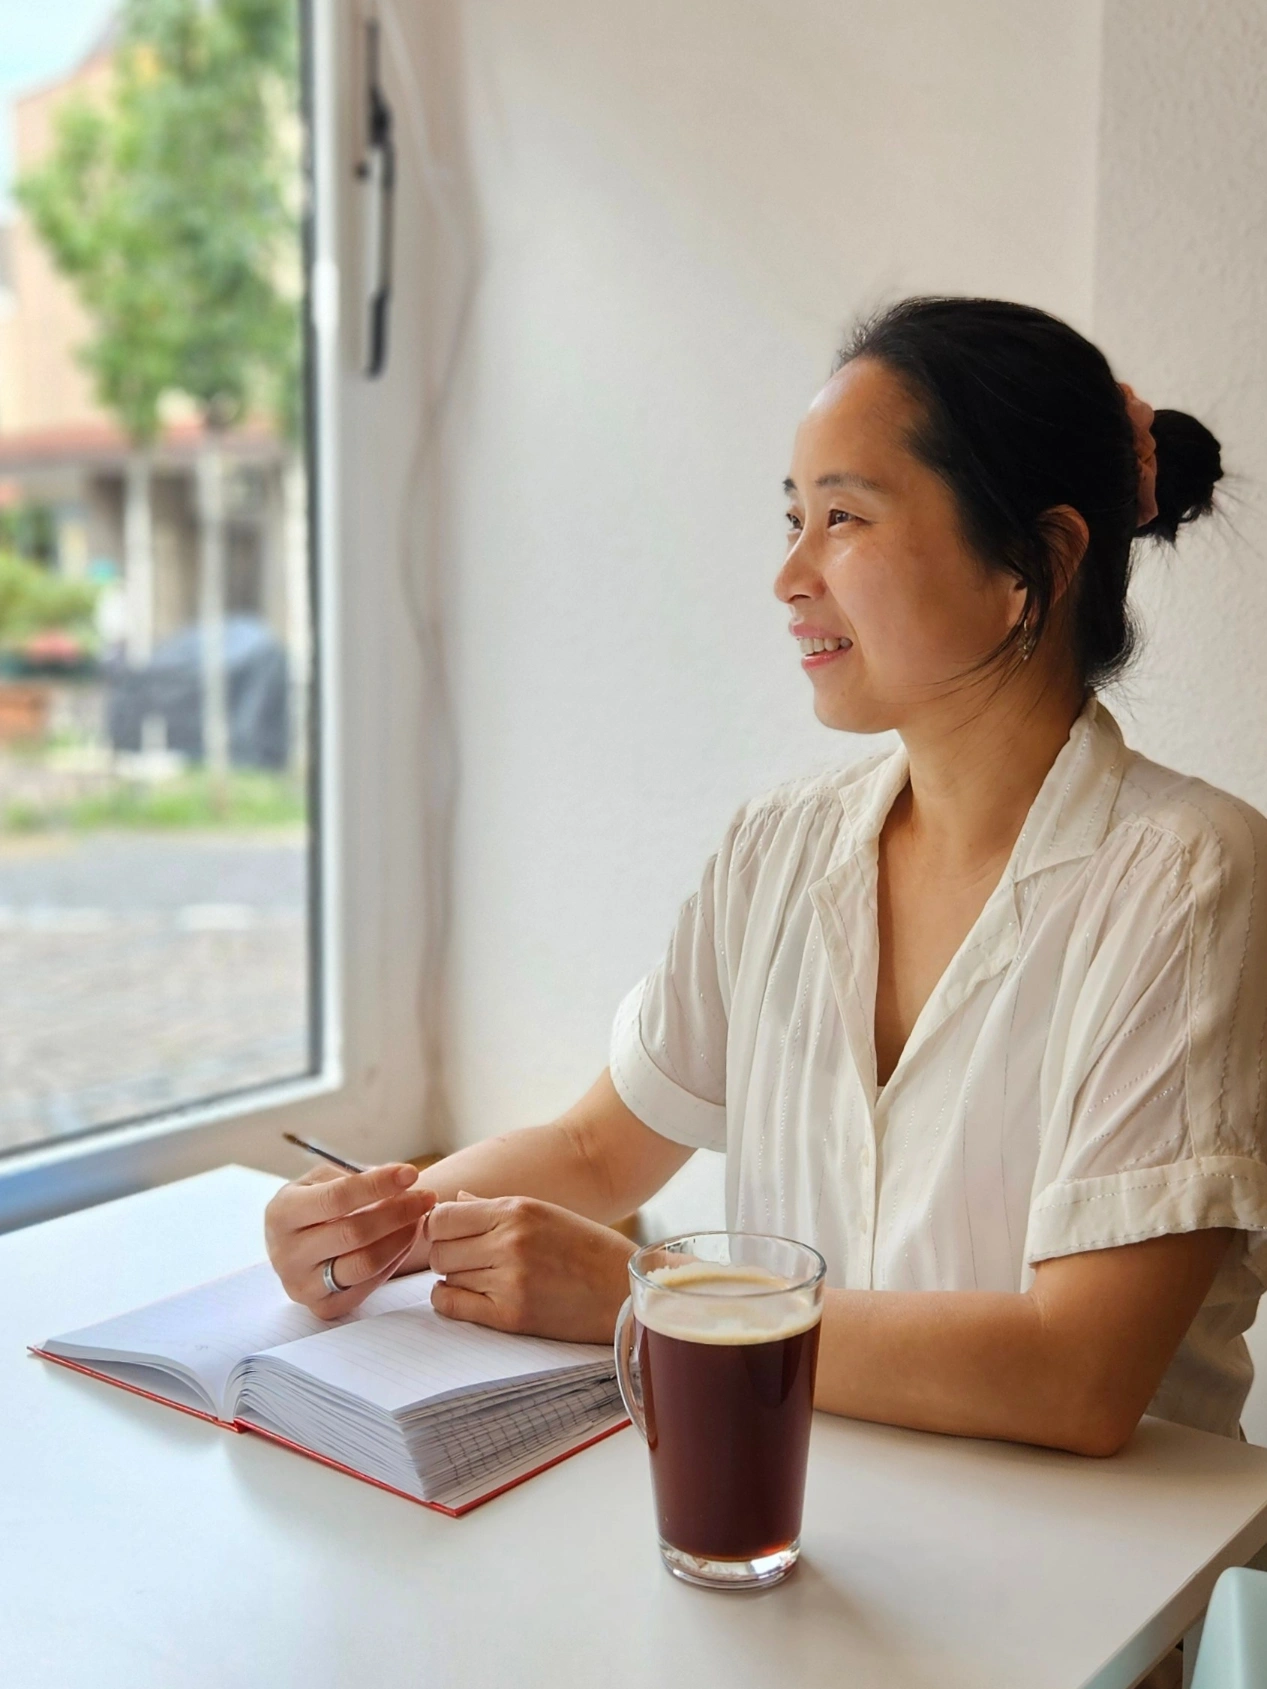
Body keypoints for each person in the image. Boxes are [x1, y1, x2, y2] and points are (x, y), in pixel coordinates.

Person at [265, 295, 1267, 1458]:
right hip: (796, 1539)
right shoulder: (780, 850)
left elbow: (1076, 1378)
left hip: (1102, 1606)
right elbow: (597, 1150)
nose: (789, 575)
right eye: (794, 518)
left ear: (1033, 561)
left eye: (843, 517)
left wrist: (658, 1301)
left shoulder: (1191, 879)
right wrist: (381, 1223)